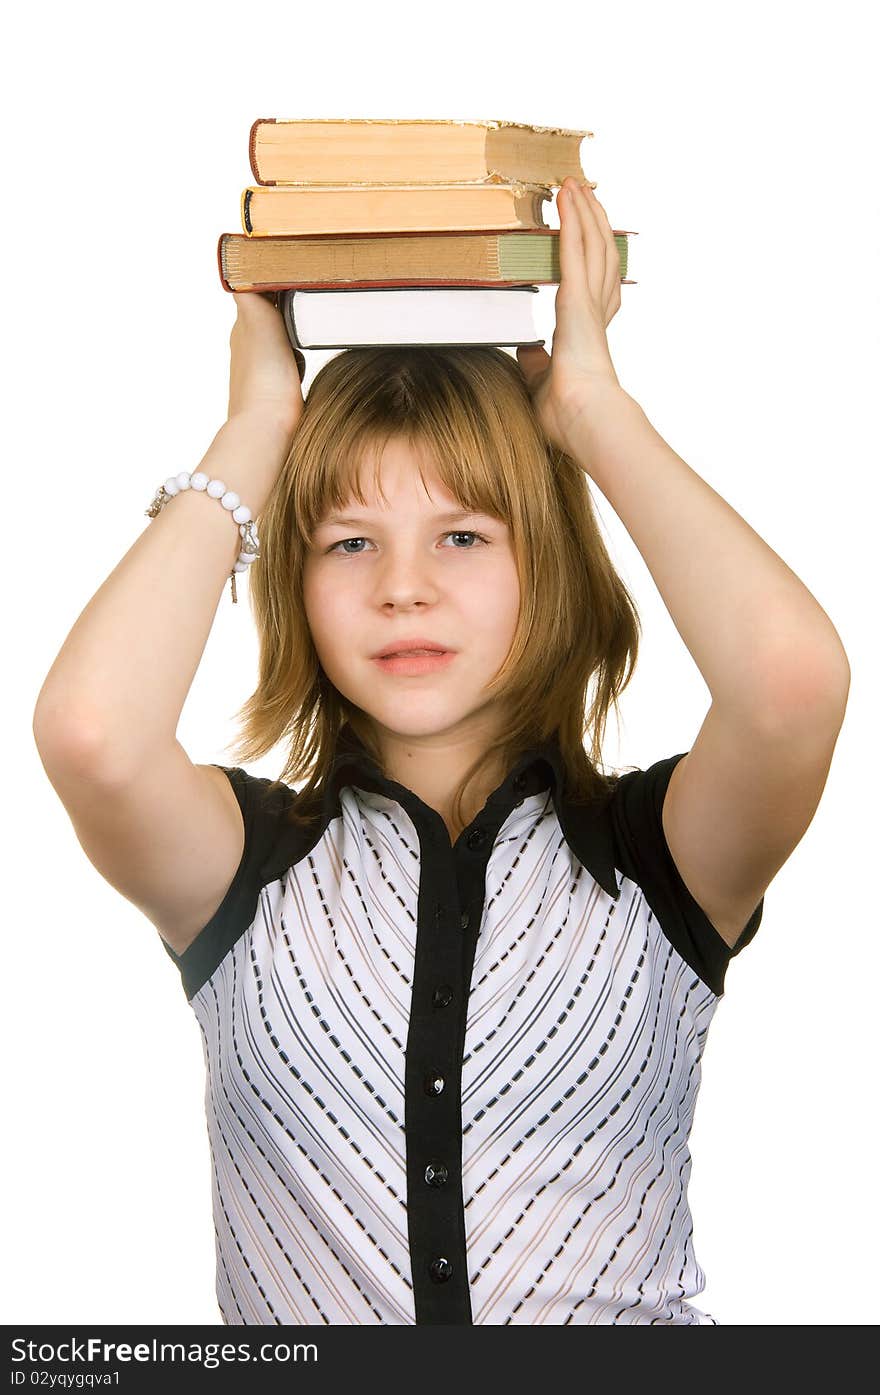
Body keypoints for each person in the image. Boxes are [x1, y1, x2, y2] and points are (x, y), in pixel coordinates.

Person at [32, 176, 850, 1325]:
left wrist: (592, 411)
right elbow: (92, 734)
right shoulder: (244, 869)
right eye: (349, 541)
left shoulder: (656, 857)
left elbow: (792, 686)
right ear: (297, 586)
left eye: (463, 534)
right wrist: (258, 427)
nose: (403, 587)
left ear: (545, 565)